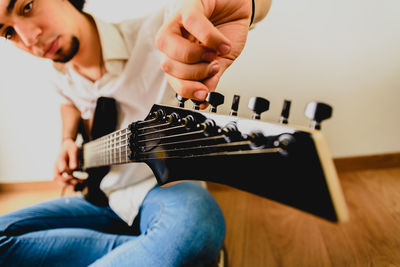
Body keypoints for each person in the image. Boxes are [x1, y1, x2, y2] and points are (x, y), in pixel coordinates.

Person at [0, 0, 271, 266]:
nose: (29, 38)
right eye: (7, 32)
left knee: (195, 227)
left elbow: (237, 7)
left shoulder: (161, 30)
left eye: (26, 6)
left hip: (165, 191)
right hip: (102, 198)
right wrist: (67, 141)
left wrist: (245, 3)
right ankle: (154, 251)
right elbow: (69, 102)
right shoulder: (59, 74)